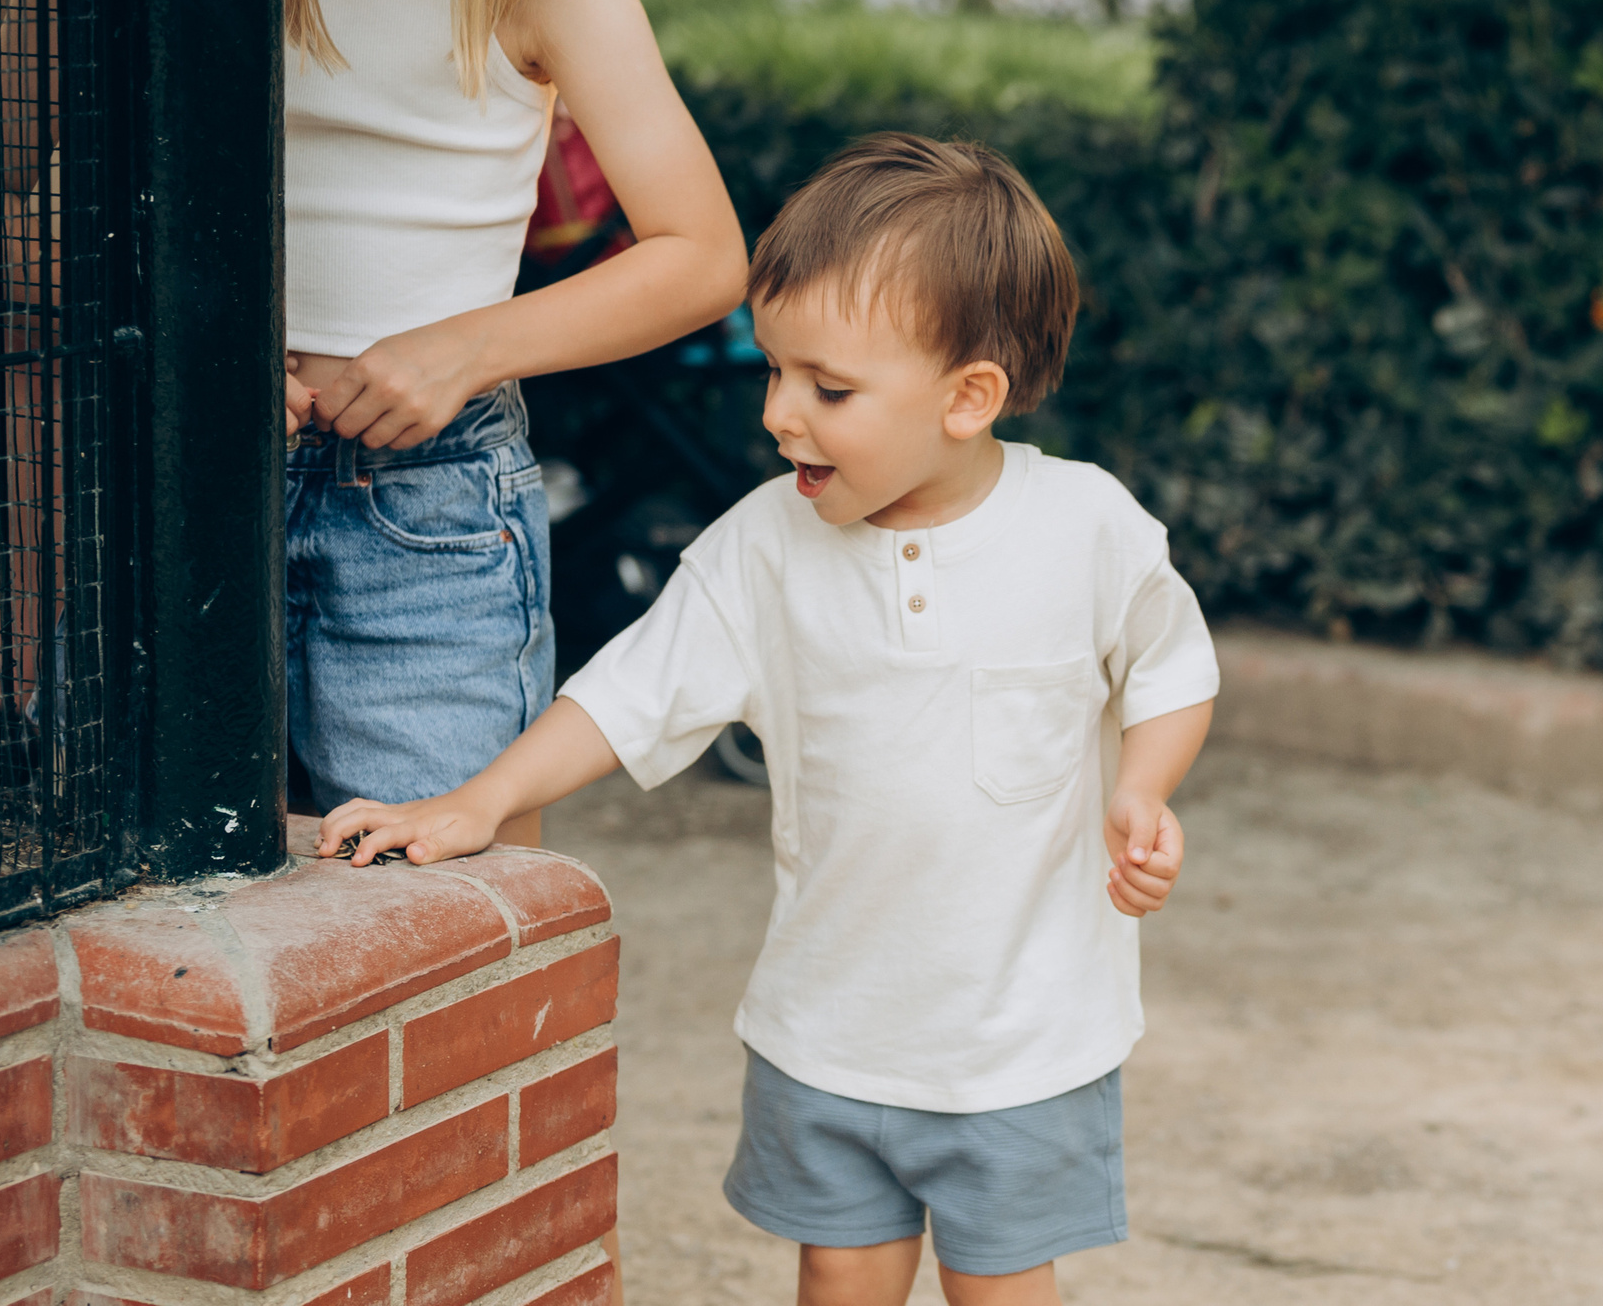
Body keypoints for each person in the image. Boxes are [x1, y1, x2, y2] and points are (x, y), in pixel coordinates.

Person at [319, 134, 1221, 1306]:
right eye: (773, 371)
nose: (781, 414)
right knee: (839, 1281)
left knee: (1003, 1288)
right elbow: (630, 691)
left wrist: (1142, 788)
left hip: (1025, 1039)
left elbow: (1169, 666)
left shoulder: (1086, 527)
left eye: (828, 389)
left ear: (970, 398)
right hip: (828, 1032)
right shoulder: (763, 545)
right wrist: (481, 799)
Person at [279, 0, 747, 835]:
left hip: (425, 508)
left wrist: (468, 347)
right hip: (182, 481)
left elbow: (704, 258)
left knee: (440, 918)